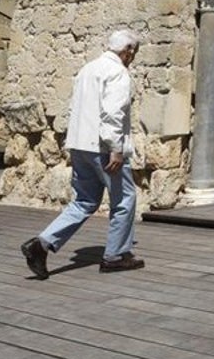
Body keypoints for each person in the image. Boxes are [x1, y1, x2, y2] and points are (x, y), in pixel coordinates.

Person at [20, 29, 145, 278]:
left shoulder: (88, 69)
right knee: (124, 200)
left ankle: (42, 243)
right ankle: (115, 255)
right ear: (128, 50)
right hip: (102, 147)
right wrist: (116, 149)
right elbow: (113, 113)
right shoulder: (118, 72)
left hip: (79, 145)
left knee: (85, 201)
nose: (133, 57)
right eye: (134, 52)